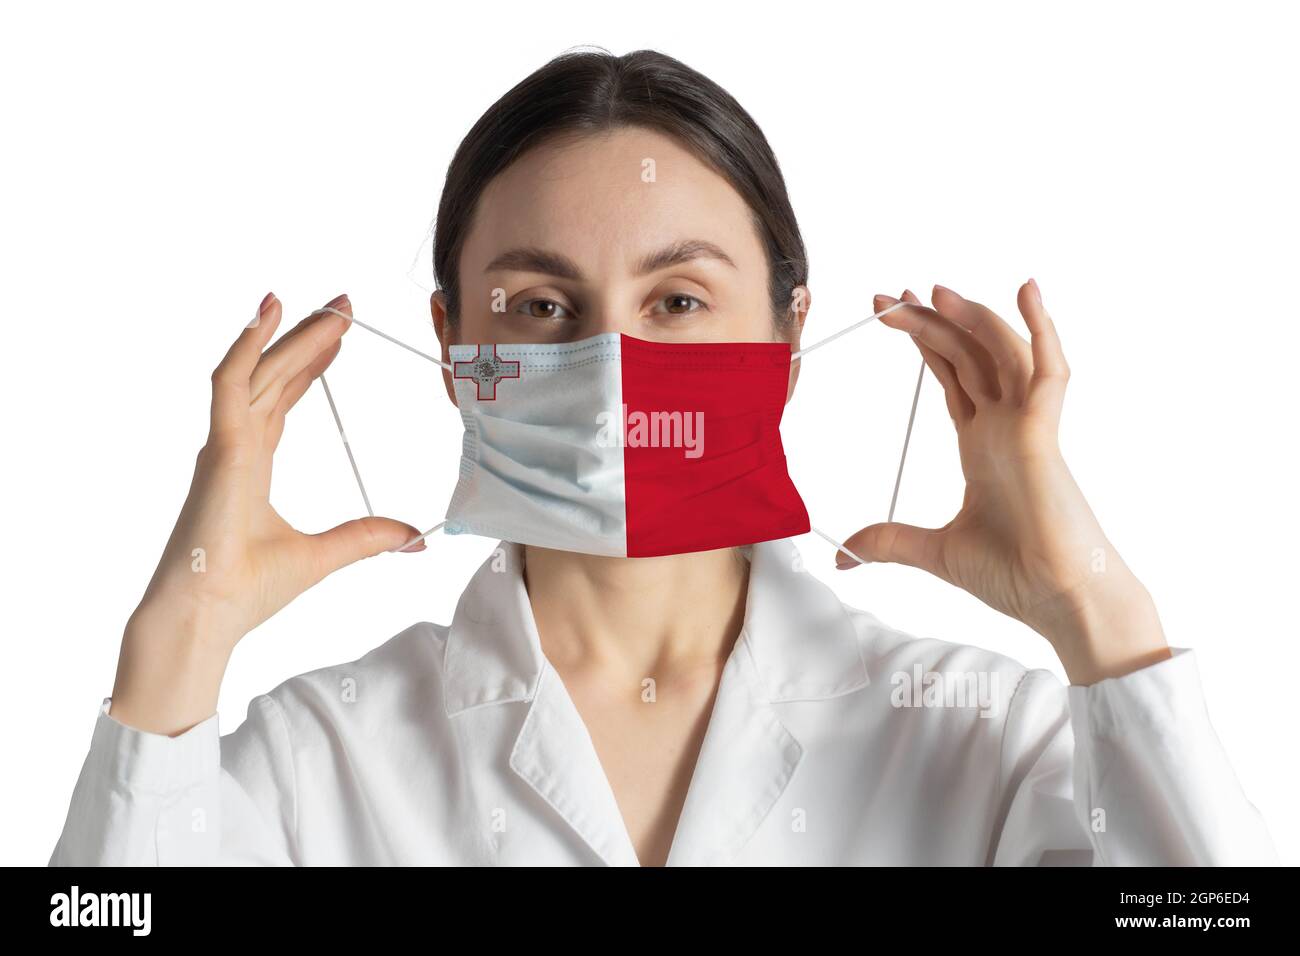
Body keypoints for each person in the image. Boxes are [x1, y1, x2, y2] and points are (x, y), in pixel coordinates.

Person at [49, 48, 1276, 867]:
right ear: (449, 341)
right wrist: (181, 636)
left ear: (789, 334)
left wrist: (1095, 612)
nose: (612, 365)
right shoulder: (317, 761)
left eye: (679, 300)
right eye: (538, 306)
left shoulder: (979, 739)